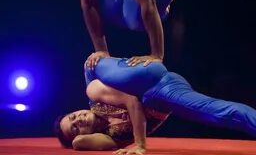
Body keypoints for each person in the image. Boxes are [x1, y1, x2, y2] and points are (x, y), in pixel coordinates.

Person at [55, 57, 256, 154]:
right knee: (219, 113)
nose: (79, 119)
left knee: (91, 71)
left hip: (153, 82)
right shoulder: (110, 137)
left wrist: (140, 145)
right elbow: (79, 143)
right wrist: (75, 139)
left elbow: (132, 101)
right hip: (164, 94)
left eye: (73, 116)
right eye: (75, 128)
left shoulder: (95, 95)